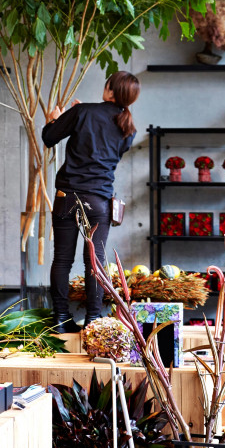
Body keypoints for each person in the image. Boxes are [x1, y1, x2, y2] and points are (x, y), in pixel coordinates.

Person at [42, 70, 140, 332]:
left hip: (68, 197)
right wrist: (78, 117)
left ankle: (61, 319)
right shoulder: (128, 128)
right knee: (94, 262)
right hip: (99, 201)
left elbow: (49, 138)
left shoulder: (82, 111)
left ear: (109, 89)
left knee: (62, 260)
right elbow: (105, 145)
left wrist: (57, 120)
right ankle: (94, 320)